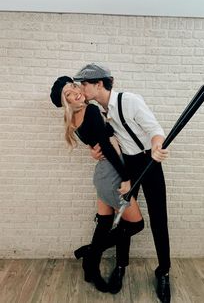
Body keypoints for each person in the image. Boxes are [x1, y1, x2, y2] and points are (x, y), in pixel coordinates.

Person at [73, 63, 171, 303]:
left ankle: (164, 272)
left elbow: (155, 130)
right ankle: (120, 267)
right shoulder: (97, 109)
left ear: (98, 84)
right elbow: (103, 139)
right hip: (125, 165)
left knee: (159, 219)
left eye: (84, 84)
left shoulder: (130, 101)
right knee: (123, 216)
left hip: (148, 162)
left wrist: (157, 146)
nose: (81, 88)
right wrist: (93, 151)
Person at [50, 76, 144, 294]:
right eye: (68, 94)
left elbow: (97, 146)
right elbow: (108, 150)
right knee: (136, 225)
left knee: (104, 223)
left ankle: (90, 265)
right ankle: (91, 252)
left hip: (102, 174)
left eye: (73, 86)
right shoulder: (91, 111)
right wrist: (126, 177)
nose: (75, 92)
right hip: (111, 174)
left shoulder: (74, 119)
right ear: (67, 102)